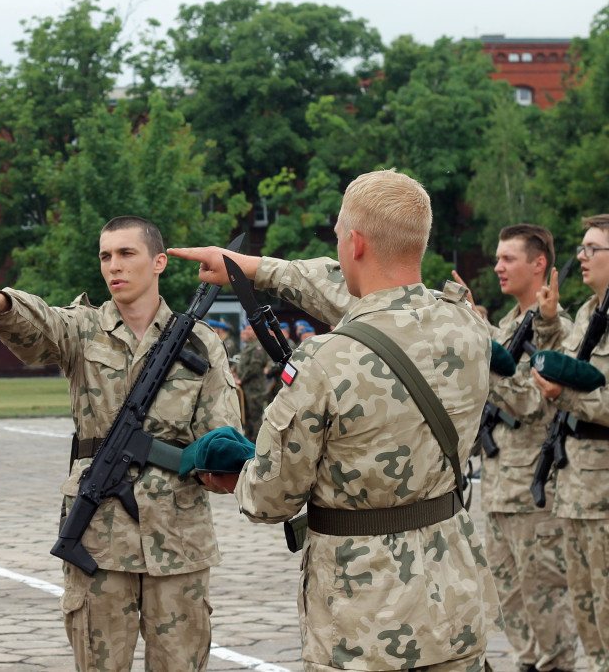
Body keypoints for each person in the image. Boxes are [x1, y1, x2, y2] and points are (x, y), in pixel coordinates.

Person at [170, 169, 502, 670]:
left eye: (339, 236)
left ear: (356, 242)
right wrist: (252, 267)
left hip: (362, 623)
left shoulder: (323, 362)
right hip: (453, 607)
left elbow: (268, 499)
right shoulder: (470, 329)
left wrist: (232, 471)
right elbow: (374, 301)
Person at [0, 215, 241, 672]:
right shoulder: (83, 328)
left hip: (178, 538)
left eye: (127, 254)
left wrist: (224, 463)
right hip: (99, 540)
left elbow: (222, 434)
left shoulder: (201, 342)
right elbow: (39, 325)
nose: (114, 266)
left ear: (159, 262)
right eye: (106, 256)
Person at [460, 225, 577, 672]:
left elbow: (533, 401)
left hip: (536, 492)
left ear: (539, 264)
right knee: (511, 605)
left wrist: (484, 352)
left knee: (546, 605)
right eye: (497, 258)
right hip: (500, 488)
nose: (498, 267)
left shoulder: (559, 329)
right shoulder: (509, 325)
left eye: (508, 259)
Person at [532, 214, 609, 672]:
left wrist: (568, 397)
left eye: (591, 248)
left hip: (604, 493)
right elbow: (565, 364)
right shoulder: (587, 313)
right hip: (578, 487)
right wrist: (545, 323)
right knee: (585, 609)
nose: (581, 256)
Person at [234, 321, 269, 440]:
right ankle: (249, 443)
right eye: (246, 329)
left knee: (255, 419)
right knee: (247, 418)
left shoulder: (258, 346)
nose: (246, 332)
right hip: (247, 388)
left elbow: (255, 367)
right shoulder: (249, 346)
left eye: (249, 329)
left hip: (254, 388)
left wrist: (241, 379)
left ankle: (257, 446)